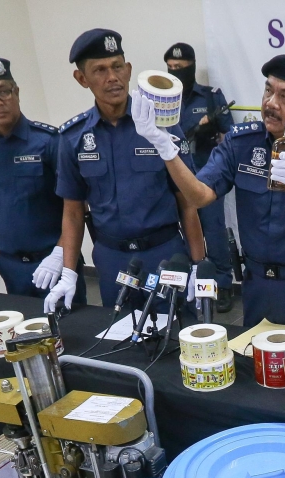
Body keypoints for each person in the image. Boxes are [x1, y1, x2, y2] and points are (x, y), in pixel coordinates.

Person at [130, 54, 285, 343]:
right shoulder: (240, 141)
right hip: (256, 283)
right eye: (268, 90)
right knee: (255, 370)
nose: (271, 103)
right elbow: (199, 196)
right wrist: (164, 147)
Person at [49, 29, 205, 313]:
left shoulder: (161, 126)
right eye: (100, 70)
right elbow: (72, 211)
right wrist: (69, 273)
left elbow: (188, 203)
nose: (112, 77)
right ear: (82, 79)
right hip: (112, 258)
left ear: (129, 70)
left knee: (176, 335)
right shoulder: (73, 137)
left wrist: (198, 265)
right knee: (121, 338)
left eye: (117, 66)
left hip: (165, 252)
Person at [0, 57, 86, 304]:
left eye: (4, 91)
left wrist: (60, 254)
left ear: (16, 92)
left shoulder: (49, 141)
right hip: (10, 264)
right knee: (26, 333)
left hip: (54, 258)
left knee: (71, 330)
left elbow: (75, 207)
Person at [164, 42, 235, 312]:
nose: (175, 72)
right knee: (182, 234)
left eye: (180, 68)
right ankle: (190, 283)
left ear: (191, 67)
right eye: (170, 68)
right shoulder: (165, 100)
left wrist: (212, 134)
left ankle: (222, 284)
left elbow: (230, 136)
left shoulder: (210, 97)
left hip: (207, 177)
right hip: (175, 180)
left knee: (214, 231)